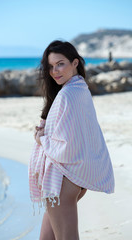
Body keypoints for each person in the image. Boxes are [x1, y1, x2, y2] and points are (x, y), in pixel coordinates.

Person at [28, 40, 115, 240]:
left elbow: (67, 145)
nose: (55, 71)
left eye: (60, 64)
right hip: (71, 180)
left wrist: (41, 140)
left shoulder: (68, 94)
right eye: (50, 66)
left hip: (62, 180)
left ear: (75, 62)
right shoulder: (80, 89)